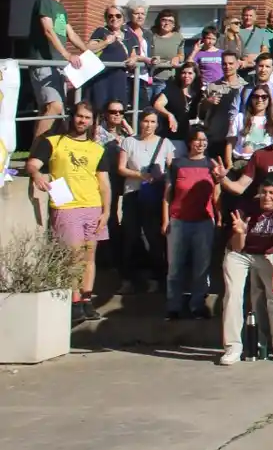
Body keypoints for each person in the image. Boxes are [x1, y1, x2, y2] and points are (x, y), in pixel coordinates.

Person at [26, 102, 110, 322]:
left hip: (92, 206)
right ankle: (73, 301)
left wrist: (107, 210)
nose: (82, 121)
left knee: (89, 256)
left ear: (93, 122)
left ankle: (86, 299)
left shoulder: (97, 149)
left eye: (87, 118)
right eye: (79, 116)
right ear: (73, 117)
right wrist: (37, 175)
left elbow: (104, 183)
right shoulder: (53, 142)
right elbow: (33, 164)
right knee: (72, 256)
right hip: (66, 206)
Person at [221, 172, 273, 365]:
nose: (267, 197)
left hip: (267, 253)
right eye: (263, 192)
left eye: (272, 192)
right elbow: (238, 246)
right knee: (233, 295)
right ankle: (233, 348)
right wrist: (240, 231)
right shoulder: (245, 207)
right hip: (239, 253)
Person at [27, 0, 89, 144]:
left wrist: (87, 53)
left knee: (54, 111)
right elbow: (48, 30)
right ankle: (36, 156)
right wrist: (67, 55)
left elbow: (71, 34)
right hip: (44, 62)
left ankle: (47, 153)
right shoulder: (45, 1)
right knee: (54, 106)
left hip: (57, 65)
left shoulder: (61, 8)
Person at [116, 109, 175, 294]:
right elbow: (121, 168)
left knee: (155, 238)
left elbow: (172, 169)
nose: (148, 125)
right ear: (140, 122)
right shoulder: (129, 141)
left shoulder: (165, 143)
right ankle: (127, 278)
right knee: (130, 236)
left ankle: (157, 278)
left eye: (152, 122)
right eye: (145, 121)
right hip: (133, 192)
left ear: (157, 124)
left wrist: (160, 176)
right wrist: (140, 174)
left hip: (154, 194)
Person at [161, 128, 217, 319]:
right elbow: (167, 195)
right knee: (175, 266)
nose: (201, 143)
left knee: (201, 266)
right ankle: (174, 306)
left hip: (204, 222)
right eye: (197, 140)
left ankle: (197, 305)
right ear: (189, 142)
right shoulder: (177, 164)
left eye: (204, 140)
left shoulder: (211, 164)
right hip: (179, 221)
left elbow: (216, 195)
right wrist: (165, 220)